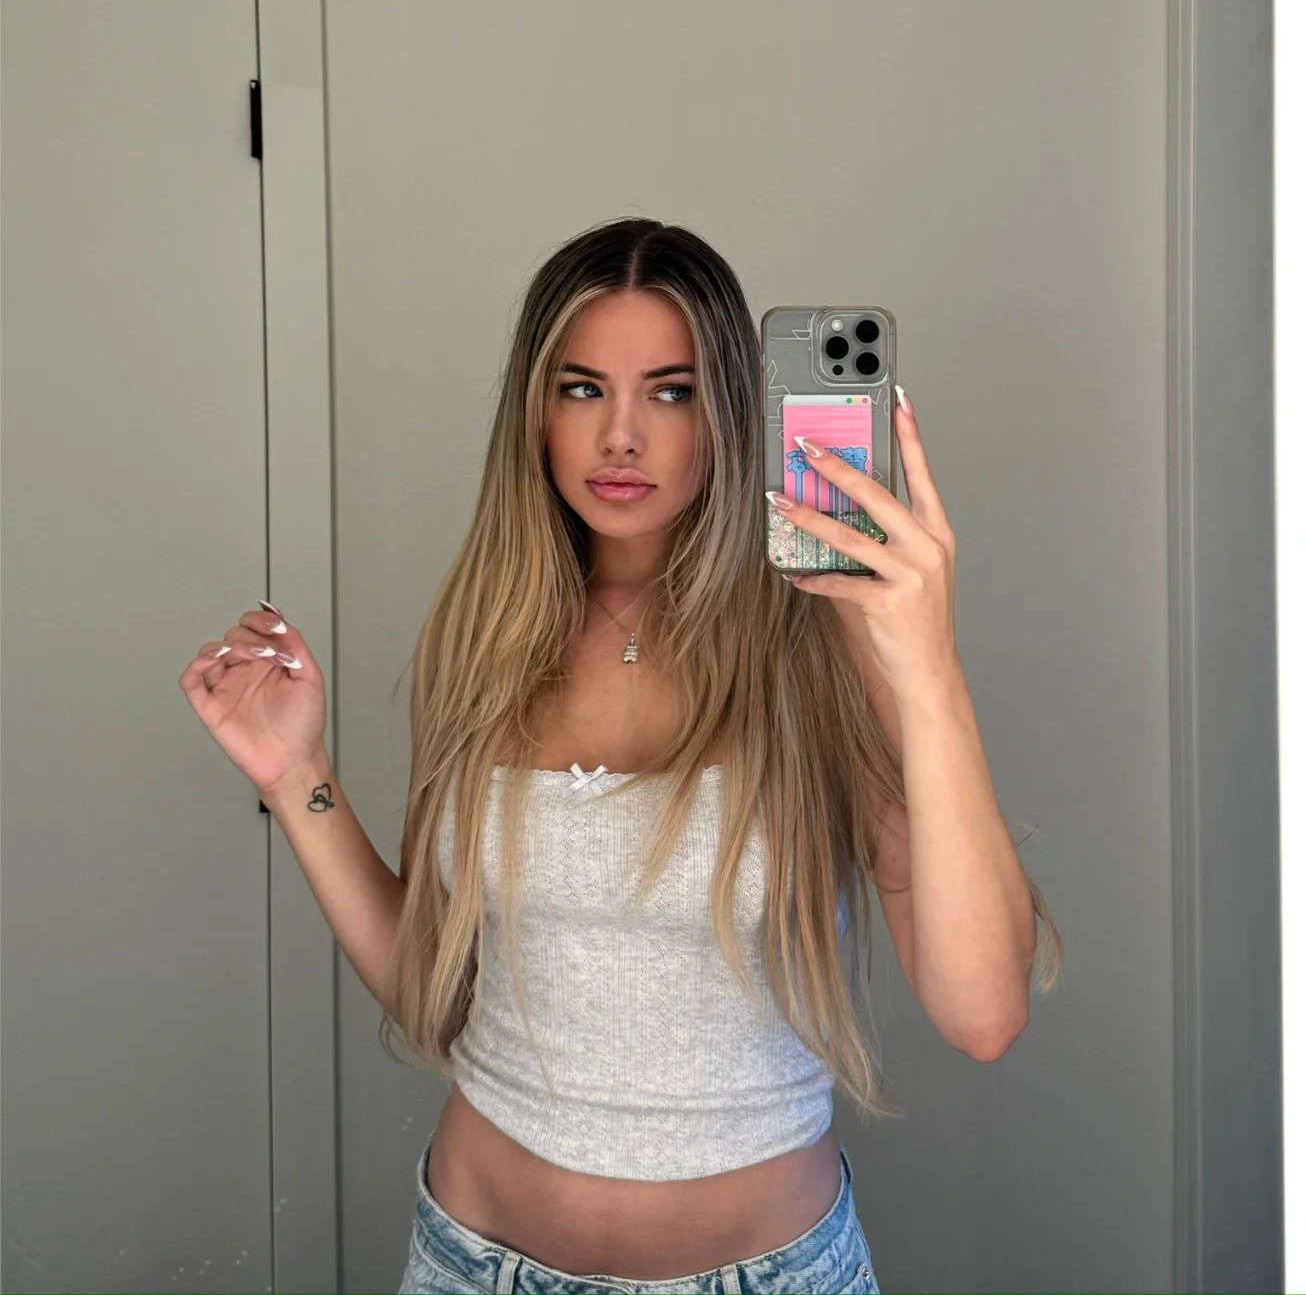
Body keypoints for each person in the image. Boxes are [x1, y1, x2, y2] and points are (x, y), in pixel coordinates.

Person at [180, 217, 1062, 1295]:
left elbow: (983, 1012)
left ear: (729, 410)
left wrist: (925, 660)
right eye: (583, 388)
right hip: (472, 1264)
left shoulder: (825, 640)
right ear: (536, 411)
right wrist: (296, 780)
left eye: (672, 391)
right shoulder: (485, 635)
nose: (622, 437)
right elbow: (436, 995)